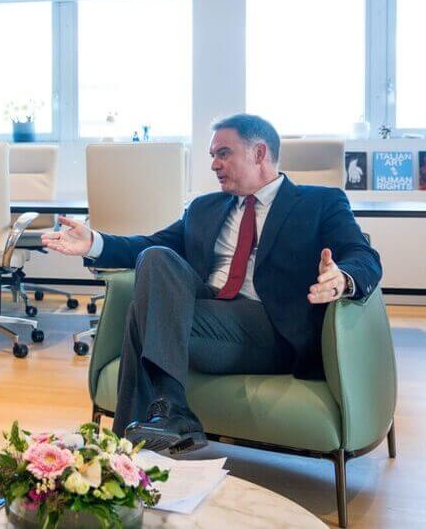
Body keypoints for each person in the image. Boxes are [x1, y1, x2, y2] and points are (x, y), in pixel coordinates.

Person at [42, 114, 382, 454]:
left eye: (223, 153)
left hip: (269, 328)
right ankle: (167, 413)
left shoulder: (319, 202)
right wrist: (94, 243)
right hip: (210, 314)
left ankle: (125, 451)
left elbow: (362, 255)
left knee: (138, 317)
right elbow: (150, 244)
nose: (214, 164)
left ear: (259, 153)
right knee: (156, 256)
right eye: (212, 156)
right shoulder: (204, 207)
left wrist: (343, 278)